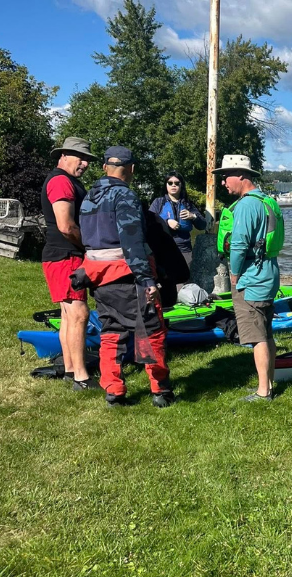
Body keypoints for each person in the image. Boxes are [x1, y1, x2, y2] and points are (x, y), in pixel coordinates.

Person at [78, 146, 175, 408]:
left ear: (104, 167)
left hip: (99, 278)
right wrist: (147, 280)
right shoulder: (125, 196)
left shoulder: (88, 198)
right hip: (128, 276)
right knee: (151, 332)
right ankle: (160, 391)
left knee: (111, 332)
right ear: (131, 169)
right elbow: (132, 241)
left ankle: (114, 391)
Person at [214, 154, 284, 402]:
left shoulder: (245, 205)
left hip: (251, 277)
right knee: (266, 332)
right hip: (268, 272)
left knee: (256, 337)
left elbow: (239, 244)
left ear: (241, 176)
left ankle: (263, 391)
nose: (223, 182)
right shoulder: (266, 200)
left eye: (226, 176)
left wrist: (234, 275)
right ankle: (269, 383)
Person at [40, 136, 99, 391]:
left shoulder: (68, 180)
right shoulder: (61, 181)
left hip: (62, 255)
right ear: (63, 155)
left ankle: (70, 369)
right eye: (80, 158)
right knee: (79, 313)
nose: (84, 163)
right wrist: (89, 245)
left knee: (68, 315)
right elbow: (66, 226)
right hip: (65, 256)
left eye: (87, 159)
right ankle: (82, 378)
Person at [149, 171, 206, 274]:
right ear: (166, 185)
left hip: (184, 250)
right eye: (170, 183)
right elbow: (149, 222)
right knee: (165, 281)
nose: (173, 185)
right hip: (162, 249)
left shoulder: (188, 204)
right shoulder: (158, 203)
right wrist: (166, 222)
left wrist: (193, 216)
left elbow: (203, 225)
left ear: (181, 185)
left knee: (184, 281)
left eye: (177, 183)